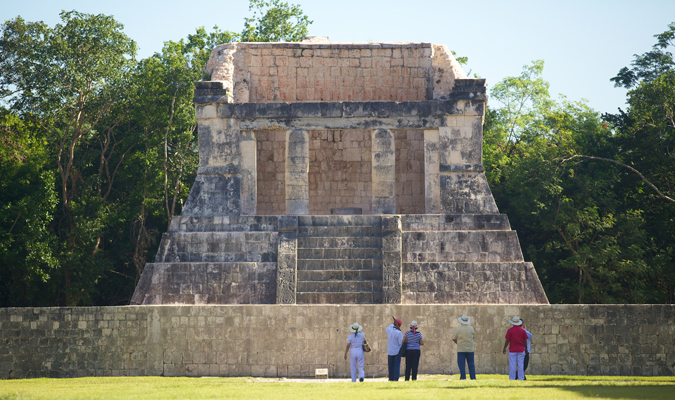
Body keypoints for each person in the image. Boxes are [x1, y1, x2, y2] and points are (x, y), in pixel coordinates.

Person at [502, 315, 528, 381]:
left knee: (512, 365)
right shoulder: (522, 331)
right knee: (520, 365)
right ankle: (521, 378)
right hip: (521, 349)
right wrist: (526, 349)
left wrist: (504, 348)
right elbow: (525, 341)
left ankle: (512, 378)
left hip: (512, 350)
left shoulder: (510, 330)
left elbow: (507, 340)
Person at [452, 313, 476, 380]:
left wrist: (458, 343)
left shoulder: (458, 329)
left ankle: (463, 377)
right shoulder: (471, 328)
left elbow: (454, 338)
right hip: (470, 349)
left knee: (461, 365)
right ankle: (473, 377)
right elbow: (473, 337)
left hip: (461, 349)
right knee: (471, 364)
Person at [386, 317, 404, 381]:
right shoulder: (398, 333)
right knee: (396, 366)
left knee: (390, 366)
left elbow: (390, 326)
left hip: (390, 351)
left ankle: (391, 378)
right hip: (397, 351)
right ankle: (395, 378)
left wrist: (395, 323)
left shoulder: (389, 329)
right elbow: (401, 343)